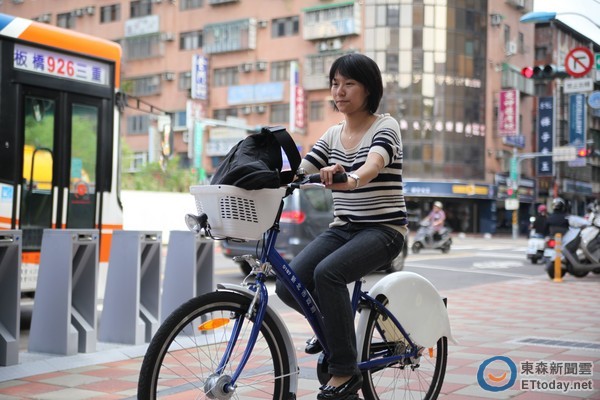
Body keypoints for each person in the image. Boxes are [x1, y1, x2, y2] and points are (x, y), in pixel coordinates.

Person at [275, 53, 407, 400]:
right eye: (335, 83)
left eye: (349, 83)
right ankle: (336, 331)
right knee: (288, 285)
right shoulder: (333, 134)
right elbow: (302, 169)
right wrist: (266, 177)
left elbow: (374, 164)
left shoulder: (385, 126)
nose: (340, 91)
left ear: (369, 89)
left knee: (328, 274)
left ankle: (345, 371)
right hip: (345, 227)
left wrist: (353, 178)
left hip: (384, 231)